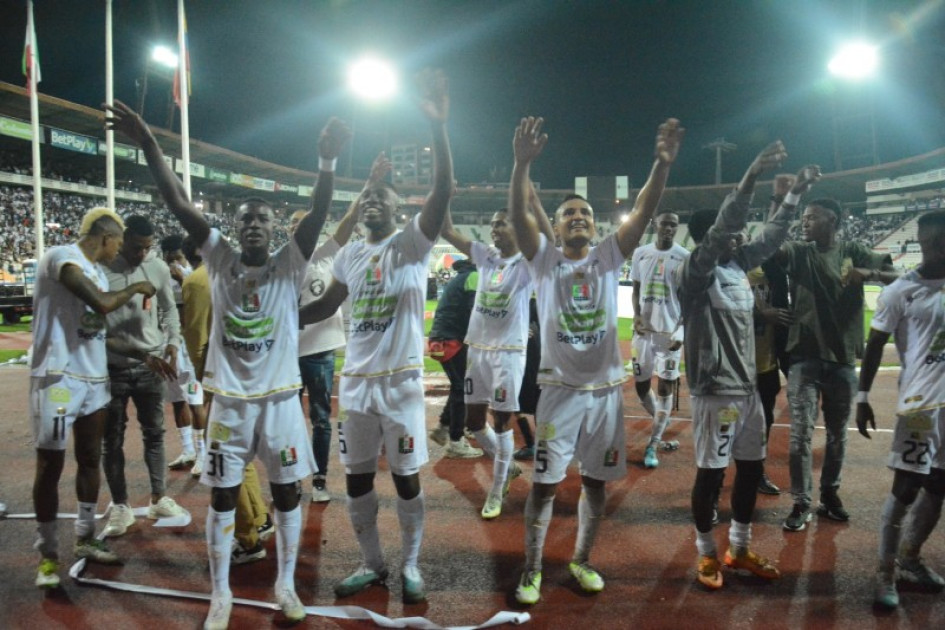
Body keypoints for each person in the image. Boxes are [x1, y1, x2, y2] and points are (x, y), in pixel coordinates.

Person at [107, 99, 349, 629]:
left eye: (264, 217)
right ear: (234, 229)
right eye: (247, 218)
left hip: (282, 400)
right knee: (221, 495)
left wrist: (326, 164)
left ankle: (285, 584)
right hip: (232, 405)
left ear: (276, 226)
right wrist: (149, 142)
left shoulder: (290, 262)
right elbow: (176, 201)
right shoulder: (217, 257)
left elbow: (319, 213)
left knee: (286, 492)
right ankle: (221, 594)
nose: (256, 223)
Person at [508, 116, 684, 604]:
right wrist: (521, 165)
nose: (579, 216)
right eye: (569, 214)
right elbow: (521, 216)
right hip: (559, 394)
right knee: (544, 486)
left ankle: (581, 561)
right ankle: (531, 569)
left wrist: (661, 165)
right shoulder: (544, 261)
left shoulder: (609, 257)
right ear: (558, 227)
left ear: (597, 224)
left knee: (595, 485)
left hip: (605, 395)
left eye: (585, 212)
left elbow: (645, 211)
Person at [298, 69, 452, 605]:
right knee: (357, 482)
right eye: (366, 201)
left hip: (403, 386)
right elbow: (325, 305)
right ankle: (372, 563)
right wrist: (283, 318)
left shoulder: (412, 244)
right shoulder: (349, 254)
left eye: (379, 201)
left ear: (398, 210)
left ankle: (410, 564)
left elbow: (444, 191)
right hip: (358, 385)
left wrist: (438, 128)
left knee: (407, 480)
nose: (370, 206)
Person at [679, 143, 820, 590]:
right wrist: (750, 178)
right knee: (711, 475)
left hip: (746, 389)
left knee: (751, 469)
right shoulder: (697, 273)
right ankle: (705, 555)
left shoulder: (740, 268)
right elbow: (727, 227)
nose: (740, 240)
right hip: (714, 391)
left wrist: (795, 194)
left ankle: (738, 548)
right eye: (730, 236)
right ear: (710, 240)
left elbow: (774, 235)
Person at [31, 206, 156, 588]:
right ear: (106, 237)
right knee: (50, 466)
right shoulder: (61, 258)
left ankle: (85, 538)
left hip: (93, 378)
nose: (119, 248)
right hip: (58, 377)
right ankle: (48, 556)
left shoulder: (100, 273)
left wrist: (142, 353)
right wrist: (136, 287)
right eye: (118, 240)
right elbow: (101, 303)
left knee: (89, 459)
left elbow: (98, 329)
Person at [777, 197, 898, 531]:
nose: (805, 223)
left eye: (812, 217)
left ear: (832, 219)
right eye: (803, 218)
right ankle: (801, 501)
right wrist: (784, 202)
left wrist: (869, 272)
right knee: (800, 435)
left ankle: (829, 494)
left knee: (837, 435)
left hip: (843, 358)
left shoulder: (854, 251)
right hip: (804, 356)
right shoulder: (800, 252)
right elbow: (775, 249)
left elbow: (896, 275)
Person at [439, 191, 553, 518]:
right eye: (492, 225)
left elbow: (547, 243)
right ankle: (507, 466)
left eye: (501, 224)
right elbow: (446, 230)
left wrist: (532, 205)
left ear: (518, 228)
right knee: (475, 422)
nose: (494, 229)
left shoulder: (527, 264)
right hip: (478, 350)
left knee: (503, 422)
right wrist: (445, 190)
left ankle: (497, 488)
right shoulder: (486, 256)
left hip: (508, 353)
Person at [856, 209, 945, 608]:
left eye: (941, 243)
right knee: (905, 488)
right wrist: (863, 397)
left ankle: (910, 557)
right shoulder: (900, 292)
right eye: (929, 244)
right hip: (920, 406)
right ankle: (884, 573)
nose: (934, 251)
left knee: (940, 486)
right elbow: (875, 344)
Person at [180, 236, 273, 566]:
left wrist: (202, 385)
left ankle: (248, 539)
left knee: (222, 455)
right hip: (248, 375)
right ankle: (259, 517)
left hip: (219, 379)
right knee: (242, 454)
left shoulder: (196, 280)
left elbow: (196, 338)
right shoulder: (235, 274)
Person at [101, 215, 188, 538]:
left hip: (152, 364)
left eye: (148, 248)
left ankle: (159, 496)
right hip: (112, 366)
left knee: (155, 432)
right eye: (136, 247)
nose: (142, 254)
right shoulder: (102, 269)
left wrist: (174, 343)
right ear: (123, 240)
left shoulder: (158, 267)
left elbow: (170, 309)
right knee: (112, 439)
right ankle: (120, 505)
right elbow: (94, 325)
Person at [293, 157, 368, 503]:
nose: (300, 229)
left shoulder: (325, 255)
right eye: (295, 225)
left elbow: (351, 218)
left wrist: (369, 182)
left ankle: (319, 480)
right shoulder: (281, 264)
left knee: (321, 418)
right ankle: (292, 476)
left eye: (305, 223)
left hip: (320, 351)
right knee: (289, 419)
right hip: (288, 354)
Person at [747, 174, 797, 496]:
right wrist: (758, 314)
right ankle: (717, 475)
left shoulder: (776, 274)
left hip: (766, 363)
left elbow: (776, 234)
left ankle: (756, 472)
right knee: (730, 425)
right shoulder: (735, 272)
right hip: (737, 366)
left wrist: (779, 199)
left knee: (764, 422)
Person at [629, 212, 688, 468]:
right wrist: (637, 315)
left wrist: (681, 331)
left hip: (668, 334)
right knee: (641, 388)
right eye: (665, 223)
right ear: (655, 224)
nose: (669, 228)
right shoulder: (641, 253)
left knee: (665, 388)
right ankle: (661, 426)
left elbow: (689, 298)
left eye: (674, 225)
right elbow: (635, 291)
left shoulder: (685, 257)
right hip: (643, 334)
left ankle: (653, 443)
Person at [160, 233, 208, 477]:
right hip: (171, 346)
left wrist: (183, 277)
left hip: (190, 349)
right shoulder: (163, 280)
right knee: (178, 400)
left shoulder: (196, 277)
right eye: (169, 260)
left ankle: (202, 454)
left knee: (196, 400)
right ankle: (188, 449)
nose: (173, 264)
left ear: (186, 257)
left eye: (177, 258)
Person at [427, 255, 483, 458]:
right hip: (452, 339)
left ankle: (443, 428)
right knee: (463, 389)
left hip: (443, 337)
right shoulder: (474, 277)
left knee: (459, 385)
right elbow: (474, 313)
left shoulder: (462, 276)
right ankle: (456, 440)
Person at [513, 296, 541, 461]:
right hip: (530, 354)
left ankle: (534, 444)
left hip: (530, 357)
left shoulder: (533, 303)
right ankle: (536, 444)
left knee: (517, 403)